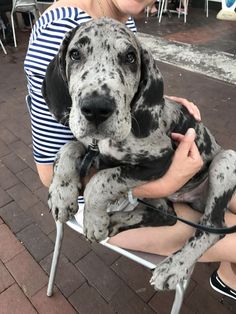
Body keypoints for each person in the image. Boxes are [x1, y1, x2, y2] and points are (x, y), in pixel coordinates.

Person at [24, 0, 236, 300]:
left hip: (184, 170)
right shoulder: (59, 29)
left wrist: (158, 103)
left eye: (126, 59)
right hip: (129, 192)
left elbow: (128, 98)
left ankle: (229, 275)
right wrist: (168, 183)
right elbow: (51, 172)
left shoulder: (123, 16)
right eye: (77, 57)